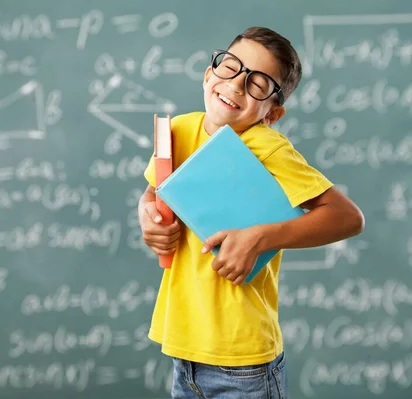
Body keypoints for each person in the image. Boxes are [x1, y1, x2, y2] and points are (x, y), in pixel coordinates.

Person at [138, 26, 365, 398]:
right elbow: (153, 192)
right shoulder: (177, 131)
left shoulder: (267, 147)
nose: (237, 85)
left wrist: (261, 237)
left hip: (242, 362)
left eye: (258, 83)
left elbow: (347, 217)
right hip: (185, 347)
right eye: (231, 67)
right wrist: (147, 217)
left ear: (272, 113)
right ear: (209, 73)